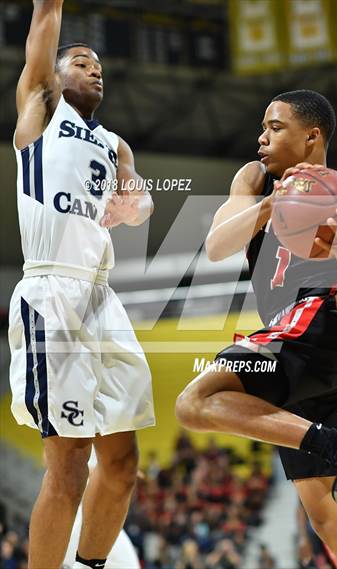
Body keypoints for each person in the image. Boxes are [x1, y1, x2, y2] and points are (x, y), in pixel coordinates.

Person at [175, 90, 337, 568]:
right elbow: (216, 246)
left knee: (193, 404)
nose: (261, 138)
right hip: (299, 343)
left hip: (316, 327)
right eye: (263, 127)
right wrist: (273, 203)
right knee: (330, 518)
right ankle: (335, 442)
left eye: (275, 127)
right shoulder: (255, 179)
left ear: (311, 135)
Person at [8, 1, 155, 568]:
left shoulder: (115, 143)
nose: (95, 69)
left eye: (100, 66)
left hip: (101, 298)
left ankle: (91, 566)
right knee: (66, 466)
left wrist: (133, 205)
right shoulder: (41, 109)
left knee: (122, 464)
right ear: (56, 76)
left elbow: (139, 200)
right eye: (82, 61)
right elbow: (44, 21)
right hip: (52, 292)